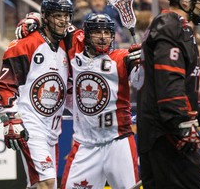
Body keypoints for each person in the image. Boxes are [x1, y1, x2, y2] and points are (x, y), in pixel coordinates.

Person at [14, 13, 141, 188]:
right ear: (86, 35)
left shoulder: (121, 57)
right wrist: (33, 19)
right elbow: (55, 17)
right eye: (97, 32)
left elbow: (139, 81)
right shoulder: (75, 45)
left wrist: (141, 63)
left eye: (107, 32)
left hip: (118, 142)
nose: (103, 37)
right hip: (85, 145)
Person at [135, 0, 200, 188]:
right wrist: (182, 125)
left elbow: (174, 84)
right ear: (186, 0)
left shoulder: (174, 27)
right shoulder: (171, 25)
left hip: (161, 131)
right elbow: (169, 83)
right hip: (167, 135)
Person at [0, 0, 74, 189]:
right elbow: (5, 85)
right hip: (30, 122)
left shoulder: (68, 43)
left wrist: (33, 17)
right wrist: (10, 118)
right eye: (57, 16)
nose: (63, 21)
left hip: (53, 128)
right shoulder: (25, 45)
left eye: (67, 15)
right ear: (45, 17)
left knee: (39, 184)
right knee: (47, 183)